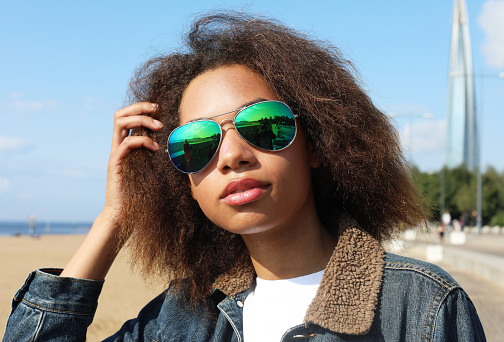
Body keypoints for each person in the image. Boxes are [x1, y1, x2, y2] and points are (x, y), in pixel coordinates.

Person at [3, 12, 485, 341]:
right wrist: (116, 217)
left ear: (316, 143)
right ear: (184, 183)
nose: (231, 155)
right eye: (194, 145)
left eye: (263, 126)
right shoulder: (185, 315)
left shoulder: (422, 306)